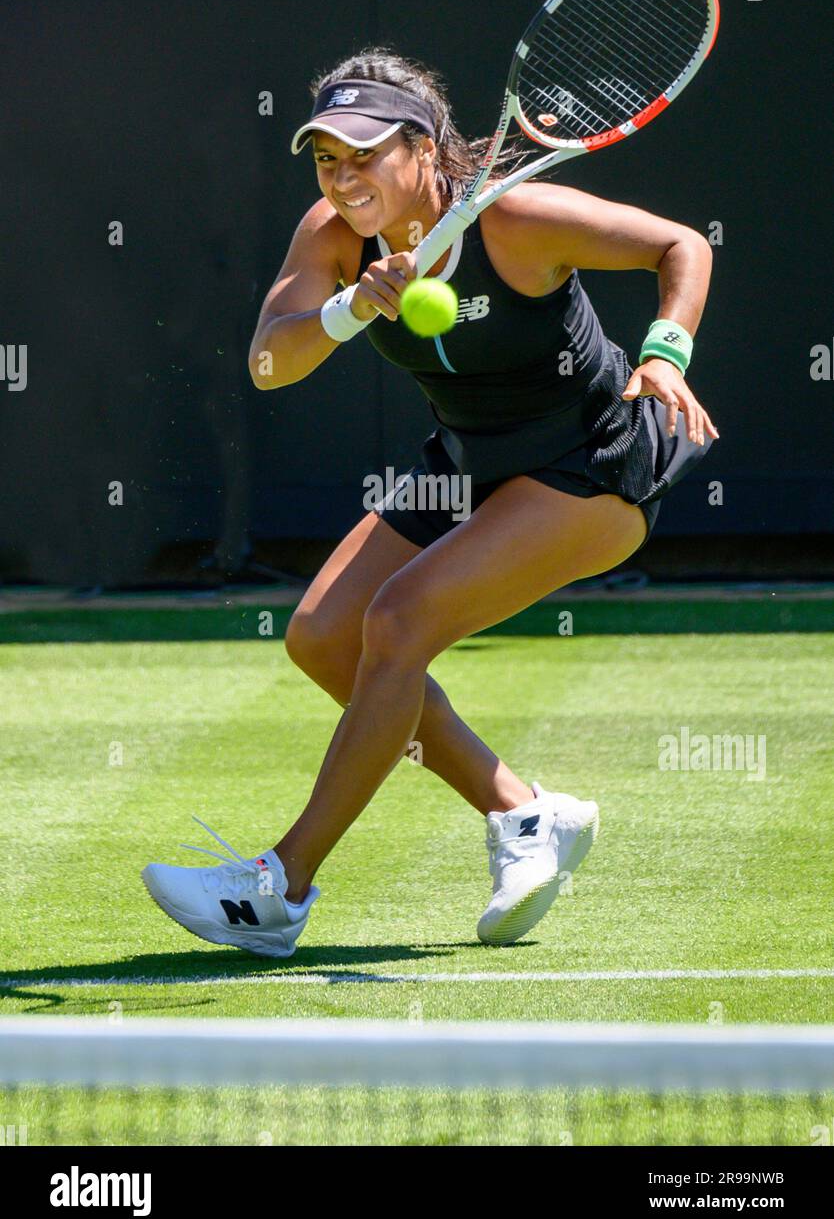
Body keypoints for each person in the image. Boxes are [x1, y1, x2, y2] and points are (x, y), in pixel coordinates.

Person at [142, 49, 719, 956]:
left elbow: (681, 244)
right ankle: (526, 817)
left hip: (594, 460)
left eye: (364, 154)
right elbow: (268, 363)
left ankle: (278, 890)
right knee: (323, 637)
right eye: (327, 158)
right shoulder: (334, 234)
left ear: (420, 147)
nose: (344, 176)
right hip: (470, 460)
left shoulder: (512, 219)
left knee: (399, 619)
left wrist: (664, 355)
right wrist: (351, 310)